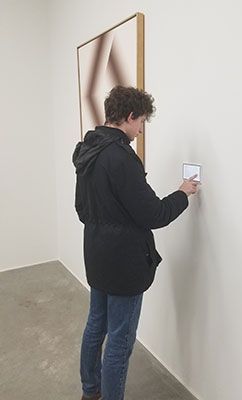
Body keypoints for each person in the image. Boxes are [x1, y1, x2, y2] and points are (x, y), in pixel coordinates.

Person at [72, 85, 199, 400]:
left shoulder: (88, 149)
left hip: (96, 254)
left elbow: (81, 209)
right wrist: (183, 193)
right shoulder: (121, 157)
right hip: (123, 264)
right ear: (129, 117)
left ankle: (91, 391)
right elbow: (154, 214)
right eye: (141, 121)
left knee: (96, 325)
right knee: (119, 340)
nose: (141, 130)